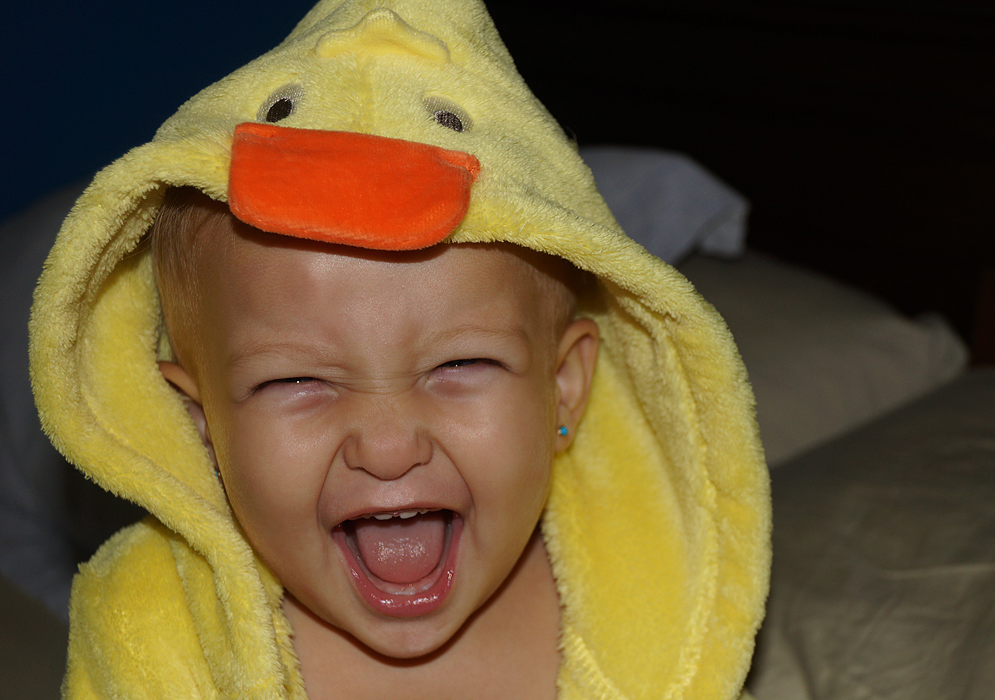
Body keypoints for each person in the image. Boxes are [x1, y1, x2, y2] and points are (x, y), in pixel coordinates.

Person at [29, 0, 770, 698]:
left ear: (564, 387)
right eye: (297, 380)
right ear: (199, 422)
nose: (387, 447)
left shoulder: (659, 590)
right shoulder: (155, 631)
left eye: (460, 365)